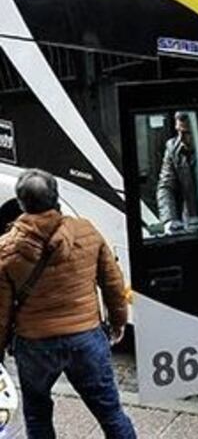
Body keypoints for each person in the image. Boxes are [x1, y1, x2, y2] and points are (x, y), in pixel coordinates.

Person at [0, 169, 135, 438]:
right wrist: (118, 323)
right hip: (86, 338)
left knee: (37, 413)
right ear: (55, 197)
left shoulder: (7, 250)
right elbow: (113, 285)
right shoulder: (86, 232)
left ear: (22, 203)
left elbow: (1, 313)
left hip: (35, 345)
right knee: (110, 412)